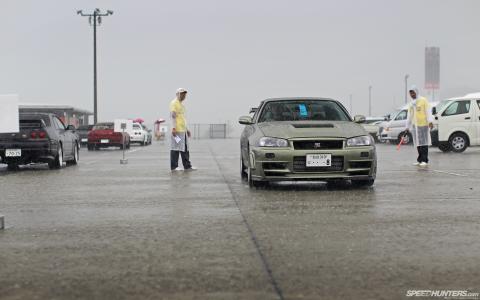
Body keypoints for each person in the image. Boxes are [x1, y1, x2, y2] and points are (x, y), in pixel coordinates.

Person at [405, 85, 433, 167]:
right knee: (418, 143)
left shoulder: (423, 100)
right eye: (410, 94)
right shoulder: (411, 104)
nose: (412, 95)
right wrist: (407, 126)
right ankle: (420, 160)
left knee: (424, 143)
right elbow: (409, 116)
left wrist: (430, 121)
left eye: (413, 93)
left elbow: (428, 111)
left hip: (423, 125)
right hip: (415, 126)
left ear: (416, 92)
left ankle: (425, 160)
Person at [170, 88, 196, 171]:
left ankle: (187, 166)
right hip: (176, 131)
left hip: (182, 131)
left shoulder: (181, 105)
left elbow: (183, 118)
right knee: (175, 148)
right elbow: (173, 117)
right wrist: (173, 128)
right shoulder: (174, 103)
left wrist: (187, 129)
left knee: (184, 148)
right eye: (182, 94)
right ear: (177, 94)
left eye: (184, 94)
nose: (184, 96)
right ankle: (174, 167)